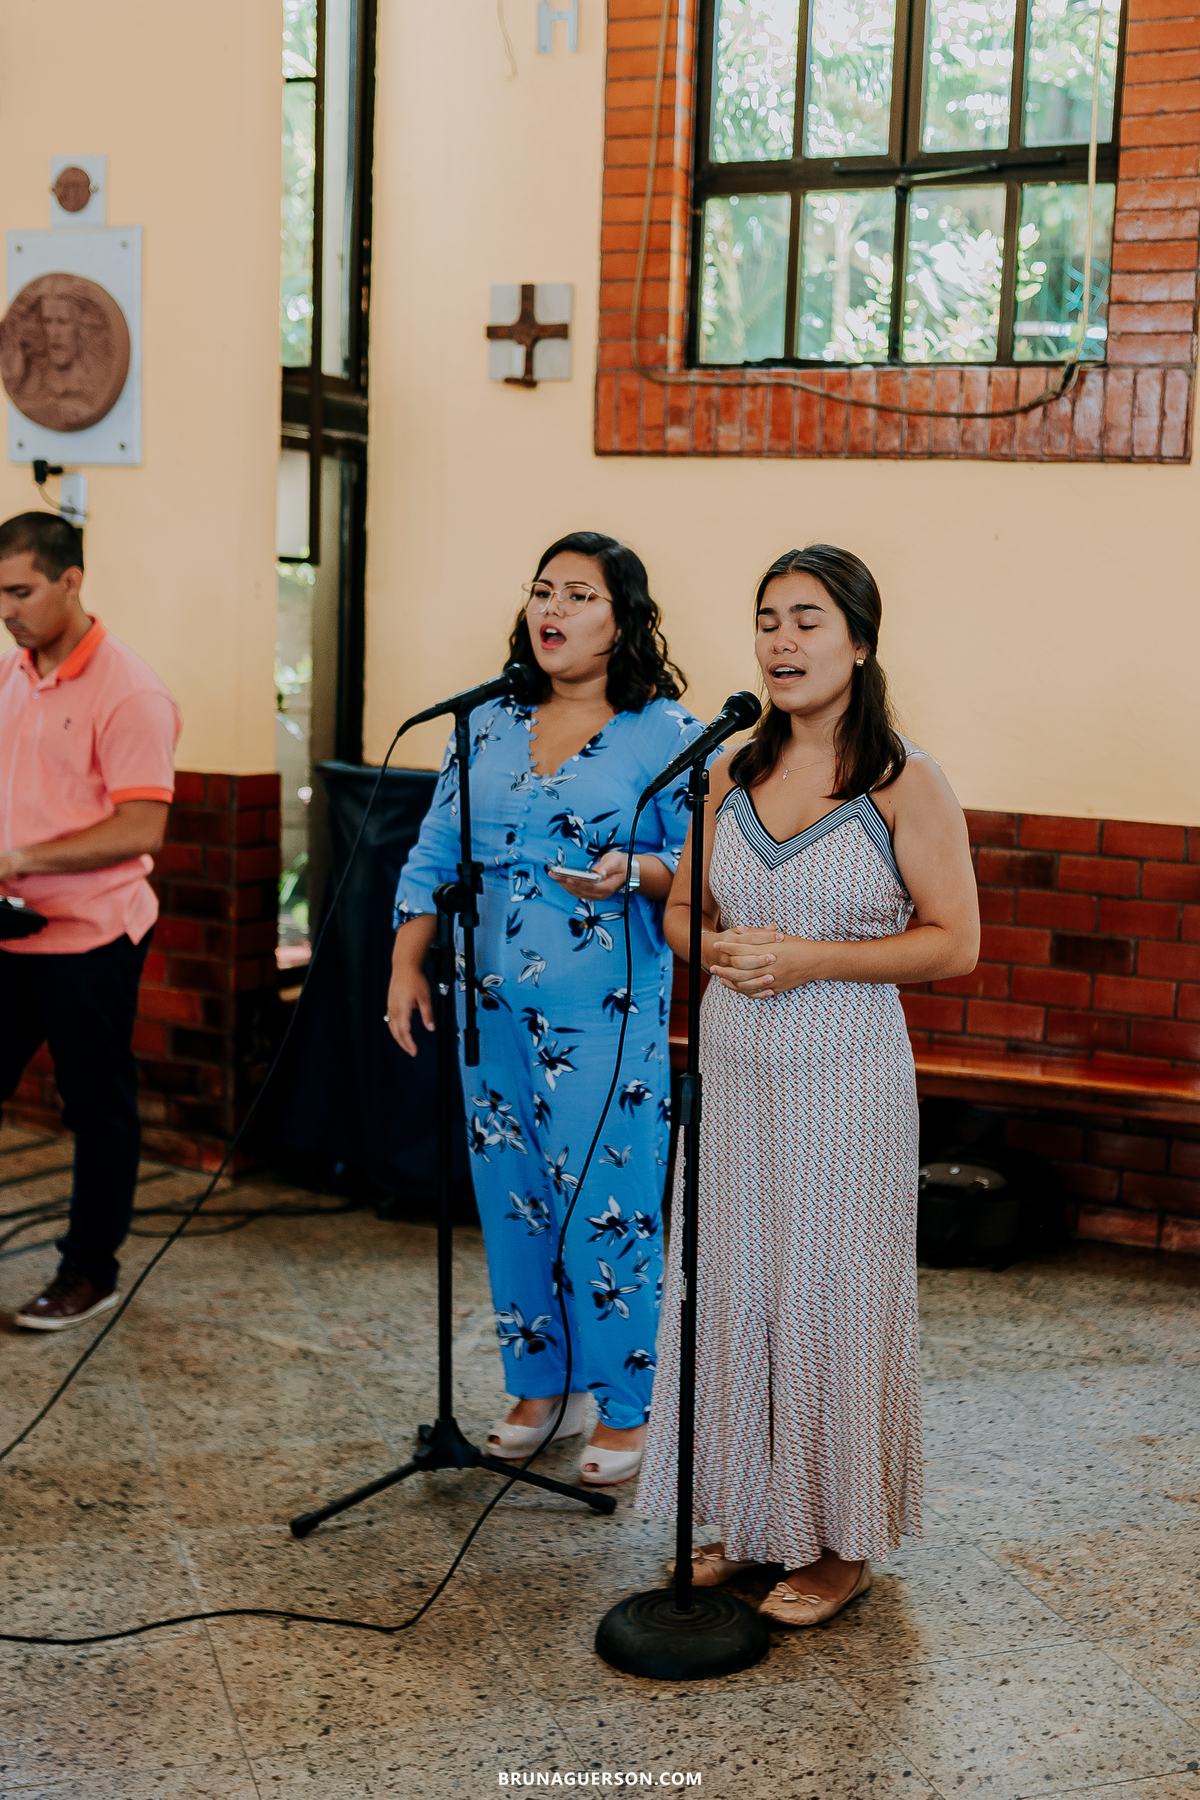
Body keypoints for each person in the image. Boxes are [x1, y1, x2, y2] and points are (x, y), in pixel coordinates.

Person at [637, 544, 979, 1622]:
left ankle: (837, 1544)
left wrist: (810, 958)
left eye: (808, 621)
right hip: (736, 1075)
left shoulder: (905, 783)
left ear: (861, 642)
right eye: (767, 620)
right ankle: (747, 1519)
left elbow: (955, 943)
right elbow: (684, 912)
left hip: (847, 1076)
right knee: (735, 1292)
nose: (781, 642)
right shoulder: (726, 770)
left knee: (825, 1298)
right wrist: (719, 949)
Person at [387, 531, 702, 1485]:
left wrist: (636, 871)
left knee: (603, 1206)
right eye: (540, 591)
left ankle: (626, 1399)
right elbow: (435, 849)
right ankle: (543, 1382)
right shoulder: (484, 721)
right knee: (514, 1196)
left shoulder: (667, 733)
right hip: (485, 1010)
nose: (552, 609)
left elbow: (706, 866)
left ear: (625, 620)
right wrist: (407, 963)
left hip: (603, 1016)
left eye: (579, 594)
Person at [0, 512, 181, 1329]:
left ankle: (88, 1271)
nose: (7, 608)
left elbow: (142, 827)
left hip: (94, 935)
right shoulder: (11, 675)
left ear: (70, 581)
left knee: (96, 1106)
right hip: (10, 925)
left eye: (21, 590)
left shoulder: (129, 689)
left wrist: (21, 858)